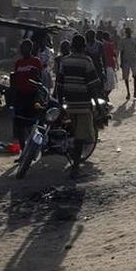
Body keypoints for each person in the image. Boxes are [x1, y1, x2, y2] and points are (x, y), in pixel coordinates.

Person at [56, 35, 103, 178]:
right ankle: (75, 169)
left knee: (76, 133)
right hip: (82, 104)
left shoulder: (64, 61)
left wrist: (60, 104)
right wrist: (97, 104)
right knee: (80, 137)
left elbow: (59, 84)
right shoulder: (87, 61)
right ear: (84, 47)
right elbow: (92, 86)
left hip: (69, 104)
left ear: (71, 47)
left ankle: (75, 164)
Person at [11, 40, 44, 151]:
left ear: (30, 49)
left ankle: (33, 148)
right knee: (20, 125)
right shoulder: (18, 63)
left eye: (25, 48)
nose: (23, 50)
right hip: (20, 96)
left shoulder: (36, 61)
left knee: (31, 125)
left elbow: (40, 79)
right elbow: (15, 79)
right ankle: (23, 150)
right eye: (21, 48)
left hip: (32, 95)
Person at [119, 28, 136, 100]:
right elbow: (121, 52)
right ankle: (128, 92)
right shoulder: (123, 40)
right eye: (127, 32)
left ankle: (135, 92)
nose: (128, 33)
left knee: (135, 76)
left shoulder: (134, 40)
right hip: (126, 60)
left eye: (129, 32)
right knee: (126, 77)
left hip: (133, 60)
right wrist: (121, 62)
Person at [101, 32, 118, 97]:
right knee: (111, 85)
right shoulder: (109, 45)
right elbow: (113, 54)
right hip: (109, 65)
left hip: (103, 66)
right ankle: (105, 96)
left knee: (106, 85)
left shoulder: (101, 44)